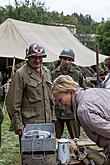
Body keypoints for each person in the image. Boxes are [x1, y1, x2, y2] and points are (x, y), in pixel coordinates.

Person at [6, 42, 56, 151]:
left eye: (40, 57)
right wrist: (19, 125)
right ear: (28, 58)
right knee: (30, 156)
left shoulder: (47, 72)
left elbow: (50, 99)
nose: (37, 60)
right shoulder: (20, 74)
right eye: (33, 57)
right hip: (29, 126)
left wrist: (52, 118)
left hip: (47, 123)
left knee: (46, 154)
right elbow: (13, 103)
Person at [52, 74, 110, 161]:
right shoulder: (91, 92)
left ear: (70, 92)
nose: (60, 105)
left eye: (60, 100)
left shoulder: (84, 110)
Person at [51, 48, 86, 139]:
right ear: (60, 59)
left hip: (72, 112)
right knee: (55, 138)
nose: (66, 62)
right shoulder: (53, 74)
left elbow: (83, 92)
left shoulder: (78, 74)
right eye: (64, 59)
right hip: (57, 112)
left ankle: (78, 153)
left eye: (69, 60)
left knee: (76, 139)